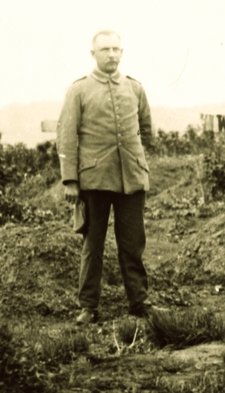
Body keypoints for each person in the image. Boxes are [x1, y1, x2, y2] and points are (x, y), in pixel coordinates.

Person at [58, 30, 155, 322]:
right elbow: (66, 137)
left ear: (122, 52)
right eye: (105, 50)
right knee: (93, 244)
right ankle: (88, 306)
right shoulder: (79, 90)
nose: (112, 54)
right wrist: (71, 180)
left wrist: (138, 160)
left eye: (116, 49)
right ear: (93, 55)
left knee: (133, 243)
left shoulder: (135, 88)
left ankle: (139, 303)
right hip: (94, 180)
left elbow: (146, 130)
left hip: (131, 179)